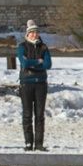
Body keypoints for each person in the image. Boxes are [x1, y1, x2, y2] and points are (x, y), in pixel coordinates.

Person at [17, 20, 52, 151]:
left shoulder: (44, 47)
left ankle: (39, 143)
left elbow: (48, 64)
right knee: (27, 114)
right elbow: (24, 63)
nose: (34, 35)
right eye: (32, 32)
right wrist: (38, 61)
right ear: (28, 34)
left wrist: (33, 63)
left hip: (41, 84)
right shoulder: (22, 47)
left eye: (36, 32)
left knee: (40, 115)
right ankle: (28, 142)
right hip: (26, 83)